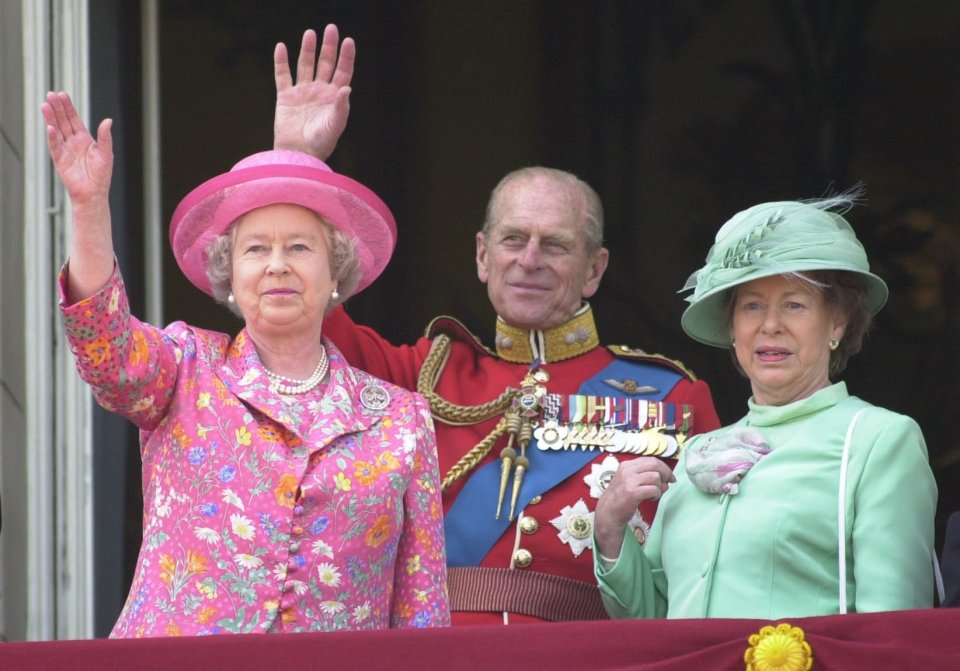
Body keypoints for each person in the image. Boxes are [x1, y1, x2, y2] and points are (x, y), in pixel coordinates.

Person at [272, 27, 722, 624]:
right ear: (483, 255)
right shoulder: (419, 375)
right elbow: (302, 311)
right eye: (513, 239)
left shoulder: (675, 399)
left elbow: (703, 575)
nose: (529, 259)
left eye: (555, 245)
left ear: (595, 269)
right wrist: (296, 163)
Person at [43, 87, 450, 636]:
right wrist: (89, 209)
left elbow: (421, 606)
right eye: (256, 249)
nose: (277, 265)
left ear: (337, 276)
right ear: (228, 278)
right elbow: (105, 352)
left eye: (301, 248)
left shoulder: (401, 421)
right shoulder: (185, 366)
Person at [593, 195, 939, 618]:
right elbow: (649, 625)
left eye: (794, 304)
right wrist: (610, 530)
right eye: (752, 305)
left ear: (837, 322)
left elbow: (893, 631)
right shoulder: (696, 455)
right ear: (733, 328)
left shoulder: (877, 440)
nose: (770, 325)